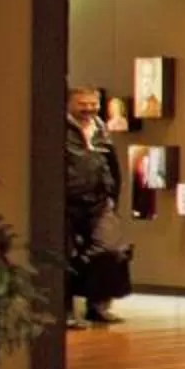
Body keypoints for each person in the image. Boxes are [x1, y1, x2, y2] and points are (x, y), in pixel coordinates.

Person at [63, 89, 122, 326]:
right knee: (62, 255)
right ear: (68, 104)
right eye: (82, 104)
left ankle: (97, 305)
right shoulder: (59, 129)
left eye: (93, 104)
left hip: (99, 201)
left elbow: (113, 165)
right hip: (67, 202)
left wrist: (113, 196)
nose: (89, 108)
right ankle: (65, 312)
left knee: (110, 249)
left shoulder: (102, 129)